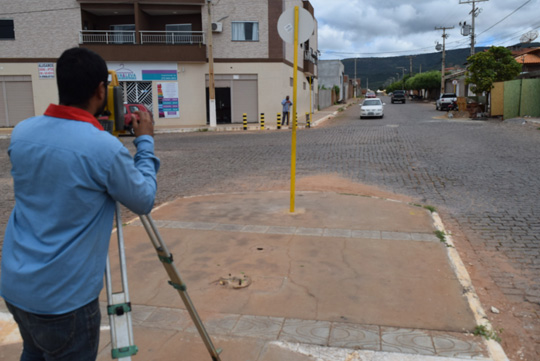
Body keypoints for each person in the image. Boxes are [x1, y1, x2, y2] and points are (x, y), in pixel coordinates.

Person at [0, 47, 160, 361]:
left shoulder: (22, 133)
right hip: (64, 301)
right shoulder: (102, 147)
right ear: (101, 90)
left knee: (34, 351)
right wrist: (145, 141)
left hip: (17, 286)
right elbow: (142, 199)